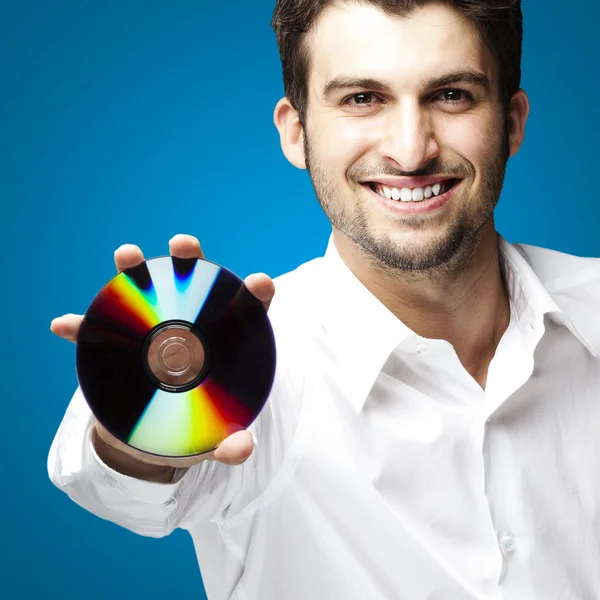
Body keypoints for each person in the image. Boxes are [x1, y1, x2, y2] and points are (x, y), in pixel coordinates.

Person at [48, 0, 600, 598]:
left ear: (513, 122)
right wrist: (139, 416)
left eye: (453, 95)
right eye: (362, 98)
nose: (411, 151)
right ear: (296, 131)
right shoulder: (245, 365)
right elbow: (117, 481)